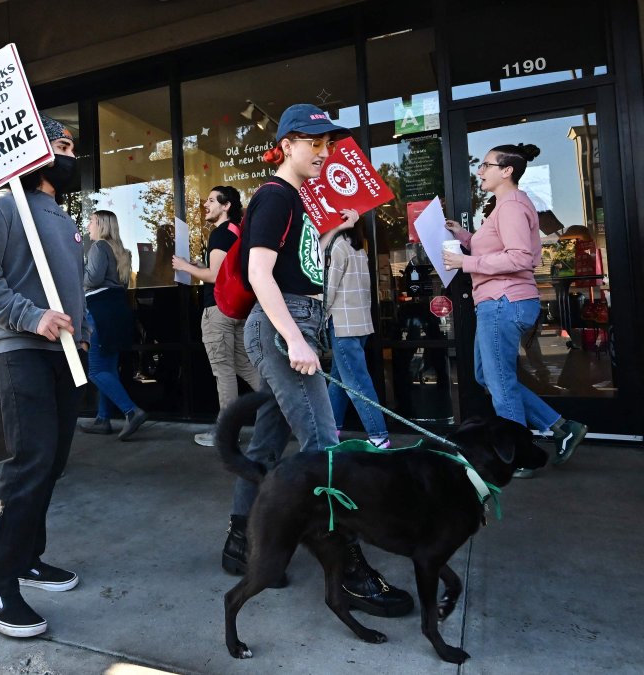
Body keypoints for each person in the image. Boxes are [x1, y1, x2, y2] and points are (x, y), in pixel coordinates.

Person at [228, 104, 413, 617]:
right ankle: (348, 572)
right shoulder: (273, 197)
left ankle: (241, 543)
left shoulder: (297, 202)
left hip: (295, 323)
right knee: (325, 447)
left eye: (328, 143)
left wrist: (338, 229)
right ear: (286, 144)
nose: (323, 152)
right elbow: (261, 275)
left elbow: (299, 263)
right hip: (284, 326)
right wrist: (296, 340)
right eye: (313, 142)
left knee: (266, 443)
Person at [0, 115, 88, 638]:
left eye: (71, 146)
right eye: (60, 144)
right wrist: (31, 317)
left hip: (64, 352)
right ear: (33, 149)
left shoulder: (59, 213)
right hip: (18, 348)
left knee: (52, 462)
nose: (70, 153)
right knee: (31, 460)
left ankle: (28, 557)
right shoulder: (3, 205)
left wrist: (80, 332)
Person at [443, 143, 587, 478]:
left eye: (486, 165)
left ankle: (517, 457)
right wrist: (462, 235)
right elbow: (496, 246)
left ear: (507, 171)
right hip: (497, 302)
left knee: (500, 382)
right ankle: (562, 427)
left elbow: (520, 257)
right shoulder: (504, 206)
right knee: (488, 377)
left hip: (503, 302)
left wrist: (466, 262)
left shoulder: (511, 206)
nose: (480, 171)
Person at [172, 186, 264, 447]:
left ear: (226, 206)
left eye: (212, 200)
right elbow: (223, 271)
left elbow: (214, 276)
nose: (206, 205)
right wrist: (201, 267)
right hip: (237, 309)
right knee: (245, 366)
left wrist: (185, 267)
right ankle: (283, 411)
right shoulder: (238, 232)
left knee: (223, 371)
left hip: (218, 310)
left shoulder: (220, 234)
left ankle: (226, 434)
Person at [78, 209, 145, 440]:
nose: (88, 226)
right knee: (108, 368)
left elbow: (93, 279)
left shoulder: (98, 247)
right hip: (118, 309)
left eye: (92, 221)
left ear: (102, 226)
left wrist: (76, 276)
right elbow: (124, 282)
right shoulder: (123, 252)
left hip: (99, 310)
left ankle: (131, 411)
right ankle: (103, 419)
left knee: (96, 370)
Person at [324, 225, 390, 448]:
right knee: (340, 380)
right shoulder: (359, 248)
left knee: (356, 382)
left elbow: (329, 289)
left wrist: (318, 315)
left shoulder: (338, 246)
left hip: (343, 325)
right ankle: (330, 430)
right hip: (360, 324)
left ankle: (379, 435)